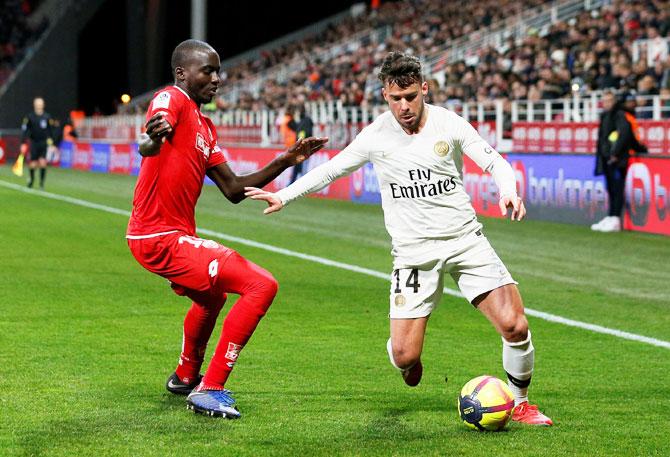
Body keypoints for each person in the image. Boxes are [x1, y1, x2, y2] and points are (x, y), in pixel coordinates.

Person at [246, 52, 552, 426]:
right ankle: (404, 354)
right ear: (384, 95)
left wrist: (508, 190)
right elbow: (331, 170)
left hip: (465, 241)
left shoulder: (448, 124)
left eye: (411, 96)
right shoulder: (376, 136)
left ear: (424, 89)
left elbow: (495, 163)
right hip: (413, 255)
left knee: (515, 325)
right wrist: (283, 194)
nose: (404, 106)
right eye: (396, 99)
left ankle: (520, 403)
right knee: (406, 357)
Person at [126, 39, 327, 419]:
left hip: (168, 235)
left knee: (211, 298)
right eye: (208, 71)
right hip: (159, 236)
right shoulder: (172, 99)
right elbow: (149, 140)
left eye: (219, 71)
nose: (217, 78)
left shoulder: (205, 126)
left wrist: (286, 159)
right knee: (261, 284)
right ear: (183, 73)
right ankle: (211, 388)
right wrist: (151, 138)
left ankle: (186, 375)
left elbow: (234, 190)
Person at [592, 91, 646, 232]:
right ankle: (610, 216)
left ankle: (616, 218)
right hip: (606, 157)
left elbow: (624, 134)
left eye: (609, 100)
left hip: (617, 159)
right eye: (604, 100)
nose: (606, 103)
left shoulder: (620, 115)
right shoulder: (605, 116)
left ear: (614, 101)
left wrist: (615, 153)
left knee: (617, 188)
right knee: (610, 188)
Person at [20, 97, 55, 189]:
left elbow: (50, 132)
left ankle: (41, 184)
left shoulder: (47, 117)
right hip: (34, 142)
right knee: (33, 164)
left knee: (43, 162)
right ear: (34, 105)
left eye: (40, 104)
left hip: (43, 143)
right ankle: (31, 180)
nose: (39, 105)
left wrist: (51, 144)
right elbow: (25, 130)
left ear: (43, 105)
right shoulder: (30, 117)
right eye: (37, 104)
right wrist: (23, 142)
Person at [288, 105, 314, 184]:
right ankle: (291, 184)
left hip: (304, 148)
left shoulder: (306, 120)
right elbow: (290, 125)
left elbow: (306, 132)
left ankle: (303, 185)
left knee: (303, 169)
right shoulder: (301, 121)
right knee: (297, 168)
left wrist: (301, 137)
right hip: (299, 148)